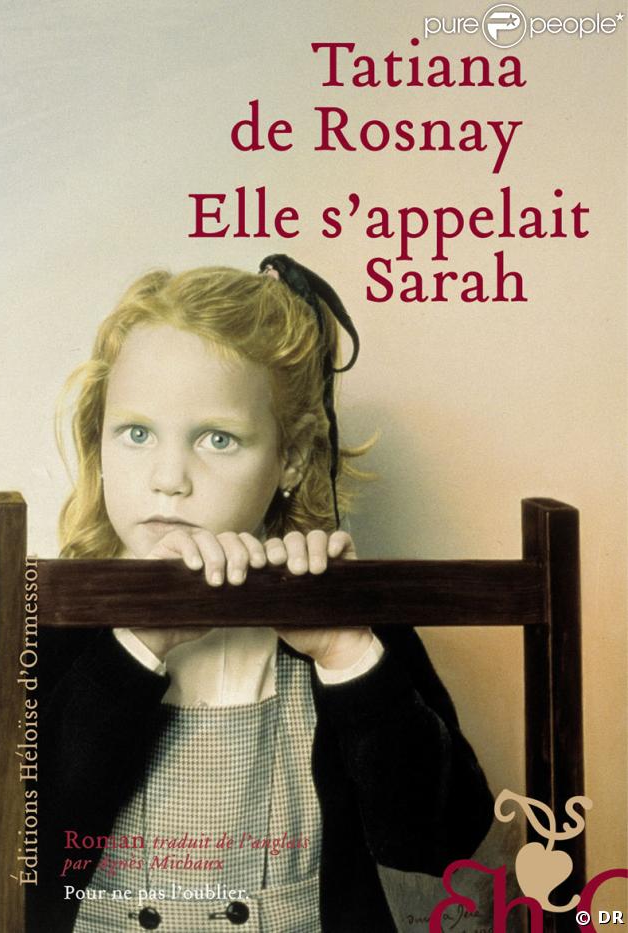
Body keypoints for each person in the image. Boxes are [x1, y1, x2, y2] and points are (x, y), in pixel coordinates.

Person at [28, 256, 493, 933]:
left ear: (291, 458)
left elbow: (442, 839)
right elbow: (23, 854)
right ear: (100, 440)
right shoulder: (54, 621)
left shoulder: (346, 613)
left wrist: (346, 653)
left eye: (217, 439)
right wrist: (135, 642)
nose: (168, 478)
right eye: (137, 432)